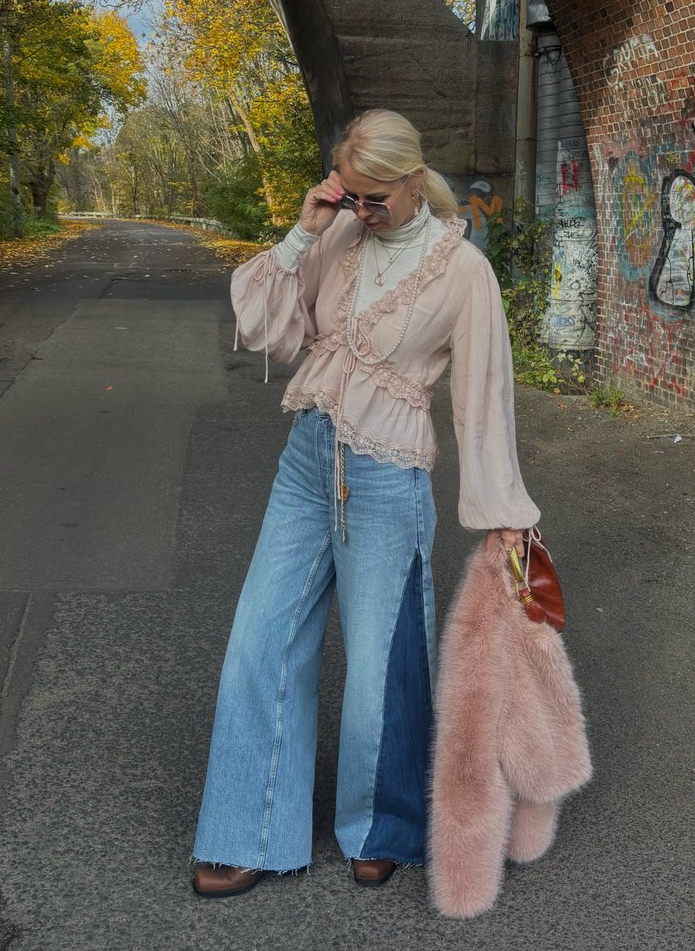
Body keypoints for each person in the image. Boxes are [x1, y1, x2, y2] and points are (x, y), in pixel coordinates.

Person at [191, 109, 540, 898]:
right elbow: (266, 327)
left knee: (381, 667)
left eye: (375, 197)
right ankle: (247, 830)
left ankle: (381, 823)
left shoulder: (462, 273)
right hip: (308, 462)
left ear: (414, 182)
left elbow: (484, 399)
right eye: (351, 194)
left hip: (387, 479)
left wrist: (504, 512)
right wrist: (304, 231)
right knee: (258, 638)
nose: (363, 210)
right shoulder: (339, 235)